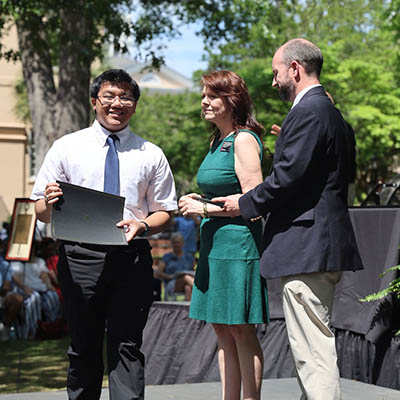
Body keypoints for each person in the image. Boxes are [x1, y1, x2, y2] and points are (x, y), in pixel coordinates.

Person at [215, 39, 364, 400]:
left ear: (294, 69)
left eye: (276, 72)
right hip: (321, 246)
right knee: (314, 347)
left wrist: (244, 203)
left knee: (313, 355)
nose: (273, 82)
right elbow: (341, 172)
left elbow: (284, 180)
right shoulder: (332, 114)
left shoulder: (308, 112)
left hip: (308, 247)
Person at [31, 69, 177, 400]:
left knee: (127, 345)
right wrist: (48, 203)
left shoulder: (150, 153)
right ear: (94, 101)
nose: (117, 104)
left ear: (135, 106)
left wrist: (143, 224)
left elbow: (165, 211)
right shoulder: (67, 147)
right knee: (83, 345)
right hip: (79, 256)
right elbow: (39, 210)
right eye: (109, 96)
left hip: (131, 257)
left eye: (126, 97)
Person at [179, 70, 268, 400]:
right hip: (214, 244)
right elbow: (221, 197)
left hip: (238, 244)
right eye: (203, 94)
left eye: (211, 95)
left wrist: (204, 210)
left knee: (241, 329)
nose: (203, 101)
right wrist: (196, 201)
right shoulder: (216, 140)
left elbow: (254, 200)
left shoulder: (243, 139)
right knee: (222, 329)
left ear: (231, 101)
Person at [153, 232, 195, 301]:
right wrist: (170, 276)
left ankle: (186, 309)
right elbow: (158, 273)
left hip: (187, 282)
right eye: (174, 242)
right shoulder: (167, 257)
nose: (176, 244)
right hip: (172, 283)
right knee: (186, 277)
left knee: (187, 288)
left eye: (178, 242)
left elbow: (193, 270)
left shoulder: (189, 257)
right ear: (171, 244)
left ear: (182, 243)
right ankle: (203, 293)